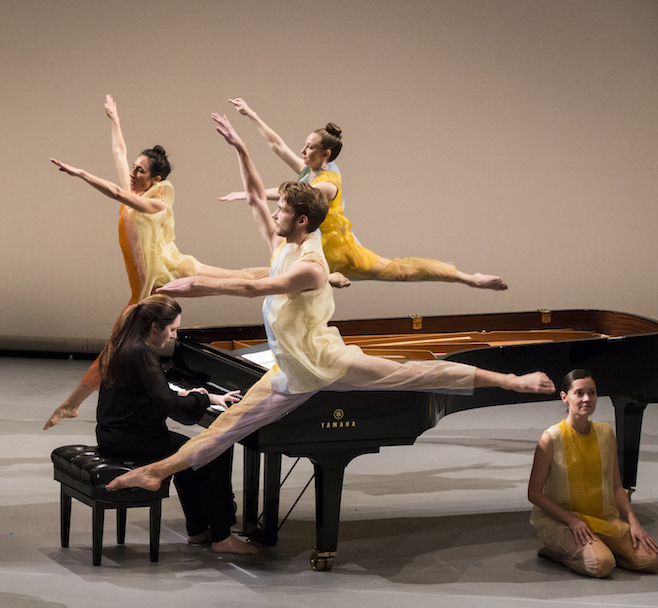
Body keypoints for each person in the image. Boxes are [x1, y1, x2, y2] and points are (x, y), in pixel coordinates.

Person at [103, 113, 554, 493]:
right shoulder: (288, 242)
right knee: (227, 426)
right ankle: (156, 473)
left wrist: (192, 284)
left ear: (299, 220)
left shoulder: (311, 267)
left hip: (323, 362)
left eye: (283, 212)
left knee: (417, 374)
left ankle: (512, 380)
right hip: (290, 367)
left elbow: (252, 289)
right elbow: (259, 201)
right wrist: (240, 149)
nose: (274, 214)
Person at [44, 96, 266, 430]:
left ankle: (309, 275)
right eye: (134, 169)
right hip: (147, 290)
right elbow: (120, 155)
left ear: (156, 180)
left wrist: (80, 173)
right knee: (114, 347)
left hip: (173, 271)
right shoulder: (135, 197)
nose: (132, 173)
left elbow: (118, 194)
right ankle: (72, 405)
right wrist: (115, 120)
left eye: (140, 171)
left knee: (240, 282)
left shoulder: (156, 204)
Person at [220, 98, 507, 290]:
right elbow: (277, 145)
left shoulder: (328, 183)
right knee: (275, 274)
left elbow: (290, 198)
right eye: (304, 145)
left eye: (309, 147)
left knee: (401, 270)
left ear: (325, 153)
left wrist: (251, 193)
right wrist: (252, 114)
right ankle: (326, 278)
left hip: (340, 251)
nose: (302, 151)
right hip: (312, 245)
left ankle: (469, 278)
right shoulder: (310, 170)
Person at [95, 293, 258, 554]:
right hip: (133, 441)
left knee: (188, 457)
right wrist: (201, 399)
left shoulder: (124, 345)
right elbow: (170, 404)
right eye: (172, 329)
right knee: (209, 452)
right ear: (155, 327)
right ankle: (222, 537)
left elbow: (157, 392)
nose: (173, 336)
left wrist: (210, 396)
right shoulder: (142, 354)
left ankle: (198, 530)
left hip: (113, 436)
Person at [527, 369, 658, 577]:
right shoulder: (551, 438)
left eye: (592, 392)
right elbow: (534, 493)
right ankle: (557, 552)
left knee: (650, 560)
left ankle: (600, 546)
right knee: (601, 565)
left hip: (601, 518)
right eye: (579, 393)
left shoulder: (606, 433)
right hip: (565, 521)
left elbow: (616, 486)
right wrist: (571, 520)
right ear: (565, 398)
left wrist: (634, 522)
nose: (587, 398)